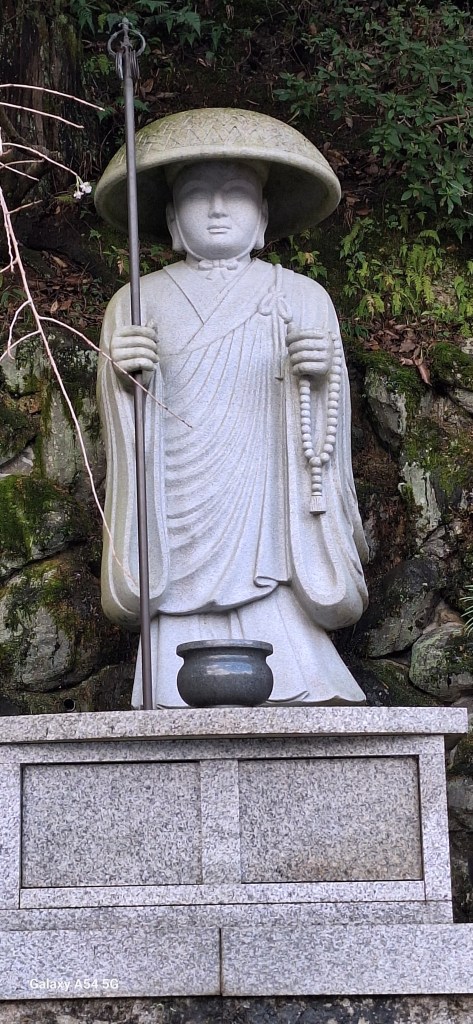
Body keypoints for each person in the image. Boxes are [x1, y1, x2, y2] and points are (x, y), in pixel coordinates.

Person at [96, 109, 368, 708]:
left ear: (263, 215)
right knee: (174, 578)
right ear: (172, 218)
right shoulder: (137, 301)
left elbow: (325, 424)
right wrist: (123, 380)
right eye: (198, 195)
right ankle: (169, 674)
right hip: (178, 496)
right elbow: (122, 419)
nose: (217, 210)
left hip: (266, 493)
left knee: (273, 565)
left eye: (237, 194)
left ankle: (295, 661)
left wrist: (319, 378)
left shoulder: (299, 297)